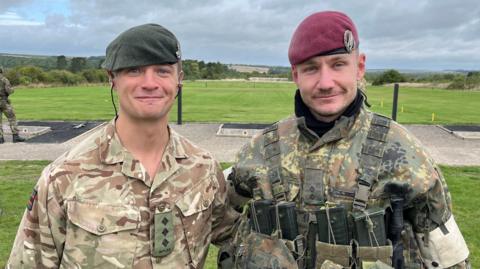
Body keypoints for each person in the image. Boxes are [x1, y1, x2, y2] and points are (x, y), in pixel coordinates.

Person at [220, 11, 470, 269]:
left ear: (359, 66)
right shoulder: (261, 148)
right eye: (311, 69)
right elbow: (216, 216)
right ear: (295, 75)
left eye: (338, 64)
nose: (326, 82)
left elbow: (449, 259)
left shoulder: (405, 152)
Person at [7, 23, 239, 268]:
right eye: (135, 71)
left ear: (179, 80)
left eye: (162, 71)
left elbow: (233, 236)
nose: (150, 83)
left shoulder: (203, 169)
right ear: (112, 79)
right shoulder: (64, 177)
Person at [0, 67, 25, 143]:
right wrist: (12, 90)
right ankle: (15, 136)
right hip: (3, 101)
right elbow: (9, 91)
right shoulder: (4, 79)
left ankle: (1, 139)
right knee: (12, 118)